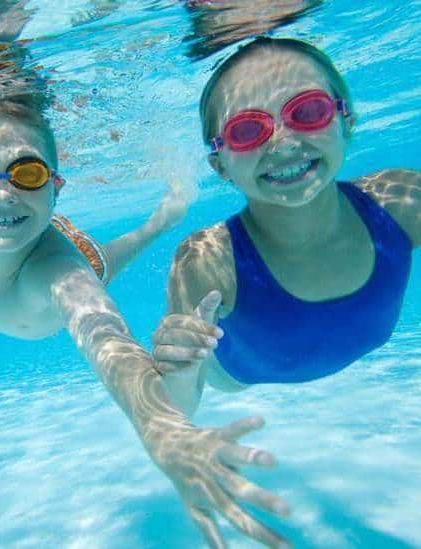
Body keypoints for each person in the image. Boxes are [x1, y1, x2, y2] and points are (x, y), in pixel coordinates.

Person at [0, 94, 290, 548]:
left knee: (113, 258)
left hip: (71, 255)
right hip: (43, 248)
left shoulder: (61, 270)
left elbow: (110, 340)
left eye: (27, 173)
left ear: (56, 186)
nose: (3, 193)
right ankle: (161, 215)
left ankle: (163, 217)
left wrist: (163, 428)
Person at [153, 36, 420, 546]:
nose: (282, 141)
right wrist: (179, 371)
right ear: (220, 163)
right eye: (248, 129)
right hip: (239, 376)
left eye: (308, 111)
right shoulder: (209, 259)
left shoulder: (403, 199)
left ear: (347, 120)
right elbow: (176, 406)